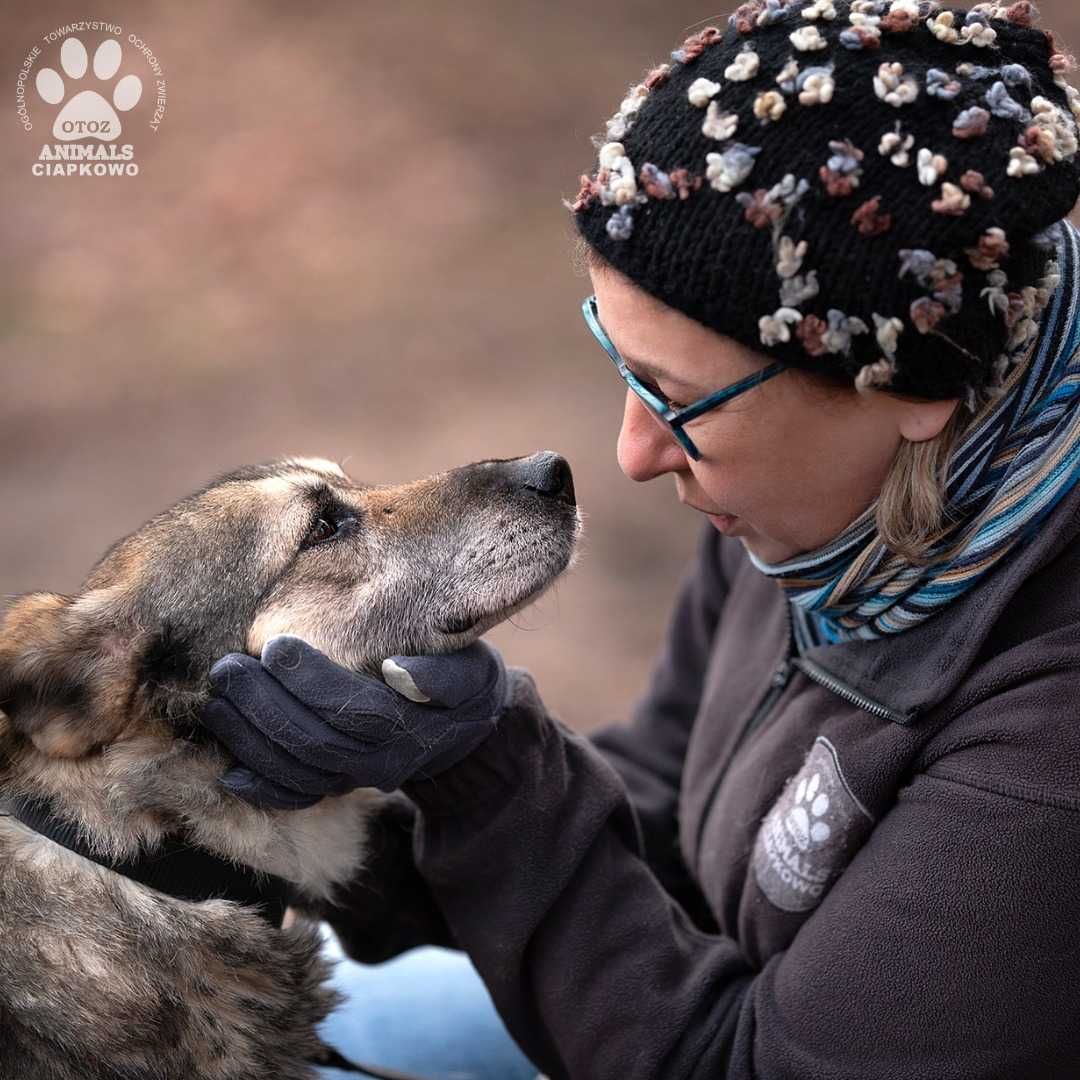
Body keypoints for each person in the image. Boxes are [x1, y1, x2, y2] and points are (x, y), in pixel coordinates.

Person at [201, 2, 1080, 1077]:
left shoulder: (1052, 731)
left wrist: (485, 764)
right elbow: (658, 819)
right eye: (621, 365)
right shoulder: (822, 516)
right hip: (715, 1001)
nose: (632, 453)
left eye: (680, 398)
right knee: (337, 1012)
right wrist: (345, 820)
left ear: (909, 386)